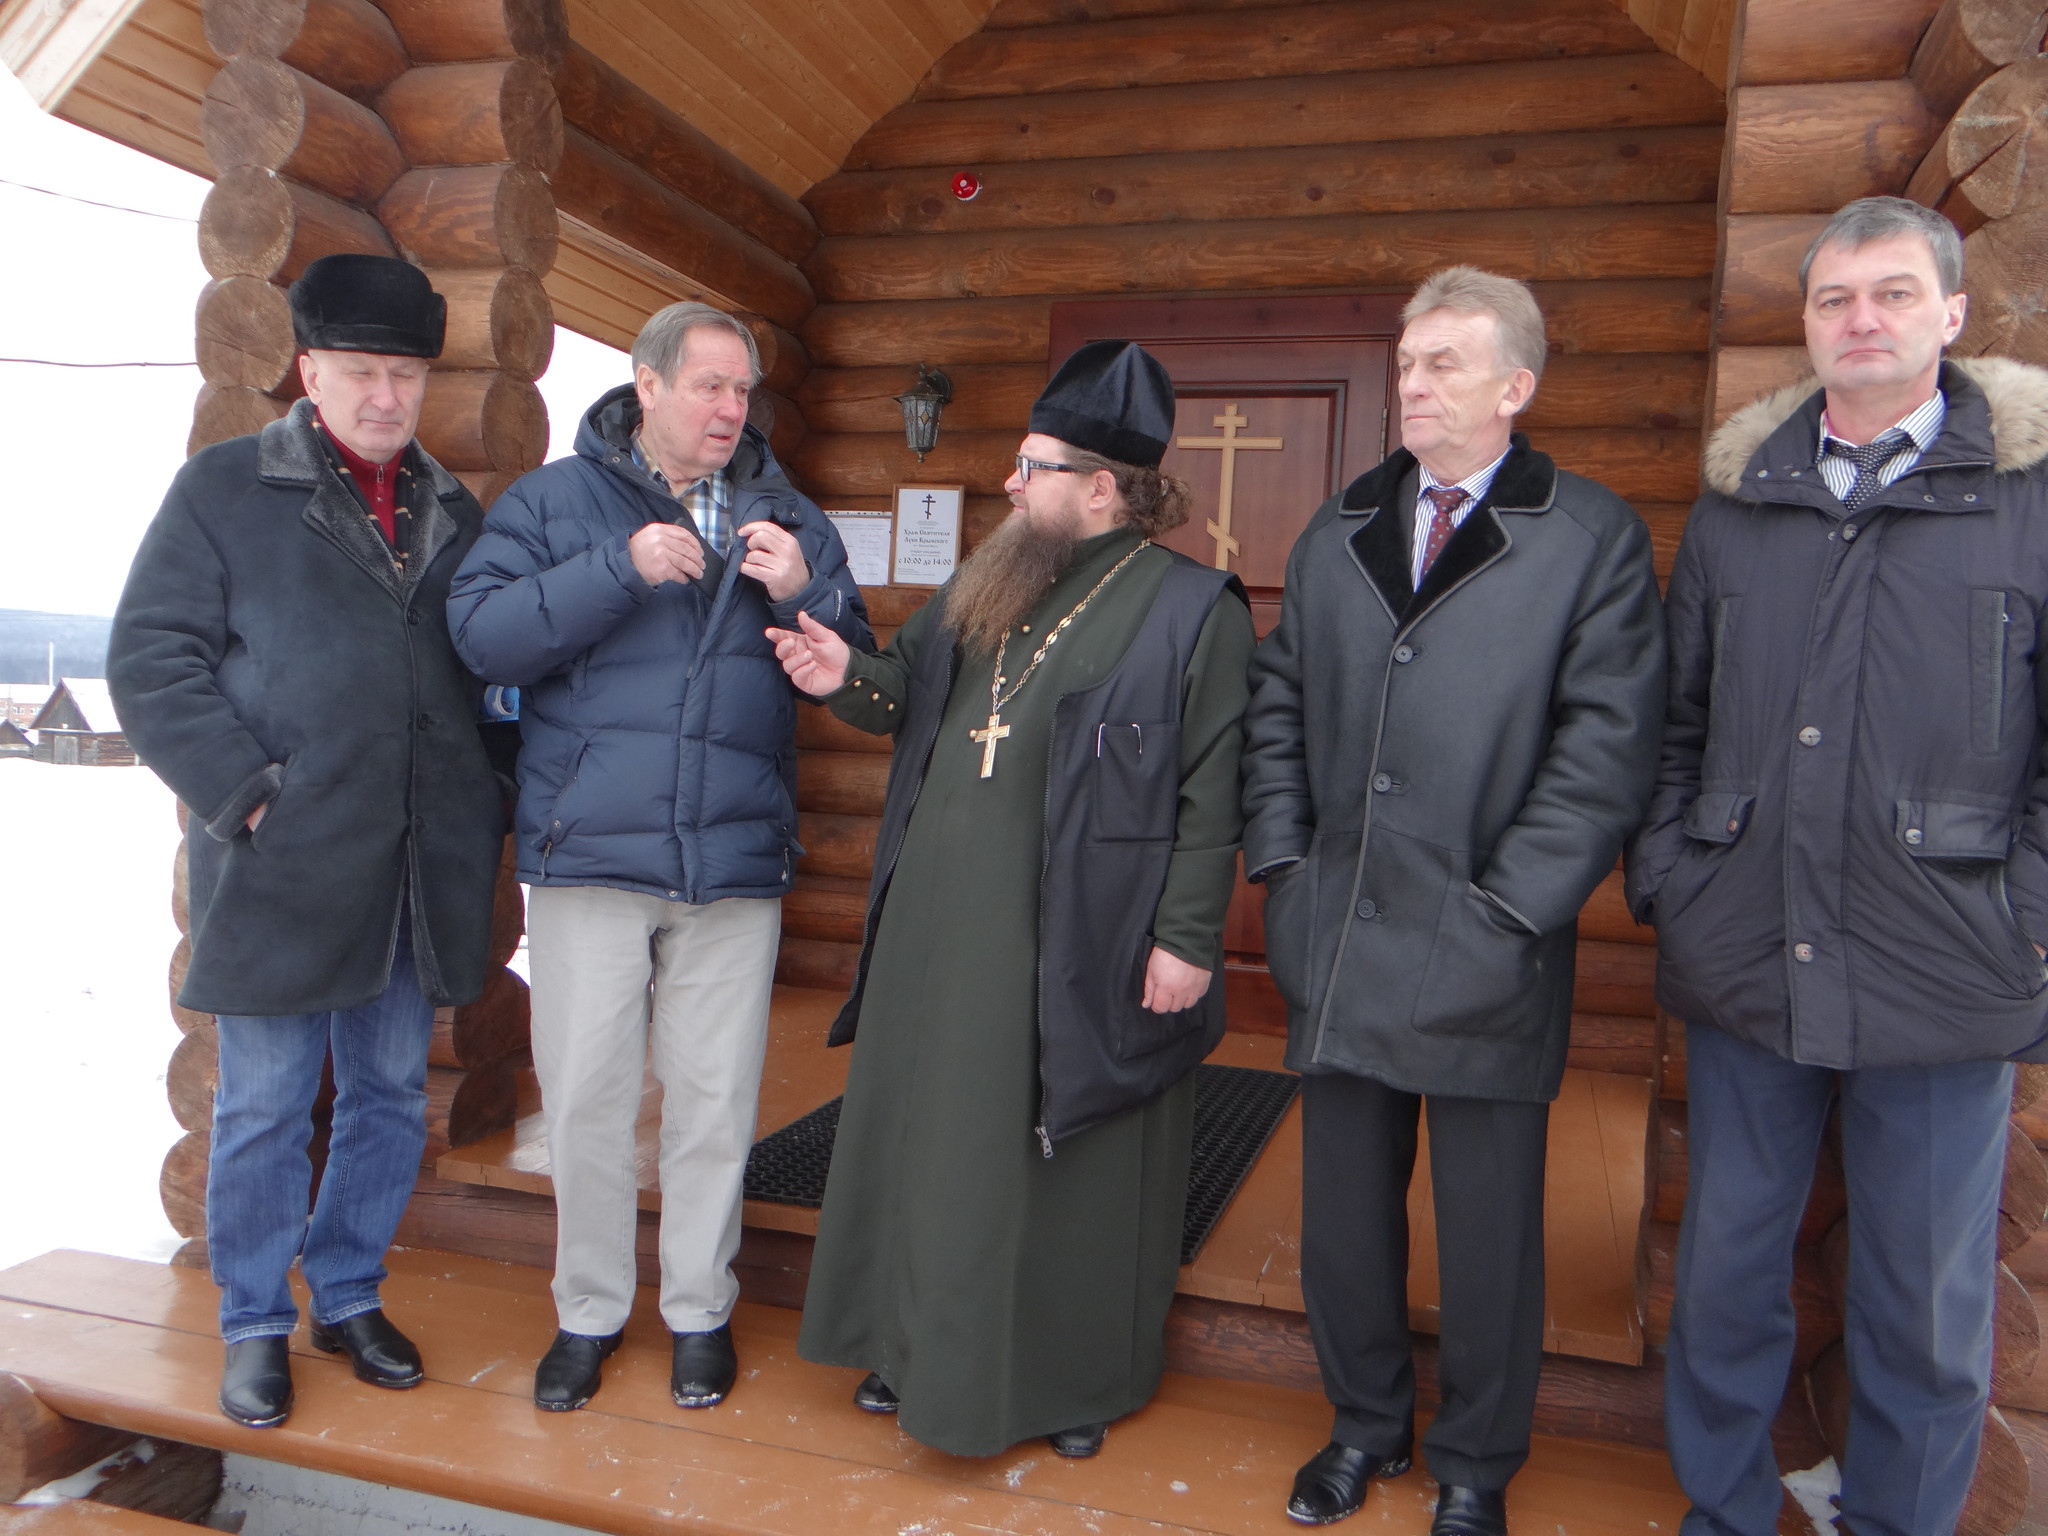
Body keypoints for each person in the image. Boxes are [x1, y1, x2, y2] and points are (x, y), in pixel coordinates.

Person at [1629, 195, 2048, 1536]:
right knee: (1726, 1276)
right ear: (1805, 321)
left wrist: (2022, 923)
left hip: (1951, 969)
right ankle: (1727, 1514)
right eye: (1833, 299)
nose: (1860, 320)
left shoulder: (2028, 502)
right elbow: (1675, 722)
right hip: (1750, 948)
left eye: (1890, 294)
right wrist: (1676, 879)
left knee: (1925, 1304)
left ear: (1952, 314)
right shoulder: (1745, 502)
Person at [765, 340, 1255, 1458]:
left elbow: (1210, 792)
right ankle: (906, 1346)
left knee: (1063, 1167)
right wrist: (841, 673)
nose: (1009, 482)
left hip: (1079, 941)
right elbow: (901, 698)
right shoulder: (988, 578)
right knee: (927, 1149)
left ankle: (1070, 1378)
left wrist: (1185, 940)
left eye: (1032, 466)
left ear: (1101, 487)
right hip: (940, 929)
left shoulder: (1193, 612)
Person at [1242, 267, 1666, 1533]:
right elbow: (1277, 708)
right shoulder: (1337, 530)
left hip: (1489, 944)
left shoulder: (1586, 536)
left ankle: (1475, 1464)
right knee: (1341, 1224)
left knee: (1488, 1235)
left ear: (1513, 388)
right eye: (1407, 360)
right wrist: (1284, 872)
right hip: (1341, 932)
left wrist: (1504, 911)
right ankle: (1362, 1428)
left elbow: (1605, 751)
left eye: (1442, 364)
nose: (1412, 383)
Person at [107, 254, 509, 1428]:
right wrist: (247, 791)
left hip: (409, 864)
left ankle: (344, 1290)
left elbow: (485, 674)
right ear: (309, 371)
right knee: (269, 1105)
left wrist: (483, 788)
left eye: (405, 374)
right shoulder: (225, 491)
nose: (386, 397)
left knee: (388, 1094)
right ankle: (253, 1321)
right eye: (362, 372)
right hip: (282, 859)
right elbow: (151, 660)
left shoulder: (453, 509)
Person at [446, 301, 869, 1416]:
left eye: (743, 391)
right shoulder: (550, 502)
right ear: (647, 384)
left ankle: (699, 1311)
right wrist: (618, 569)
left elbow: (854, 664)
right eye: (710, 387)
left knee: (716, 1101)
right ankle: (586, 1312)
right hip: (587, 860)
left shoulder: (791, 519)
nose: (732, 409)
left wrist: (803, 593)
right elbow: (481, 636)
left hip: (729, 864)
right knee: (584, 1100)